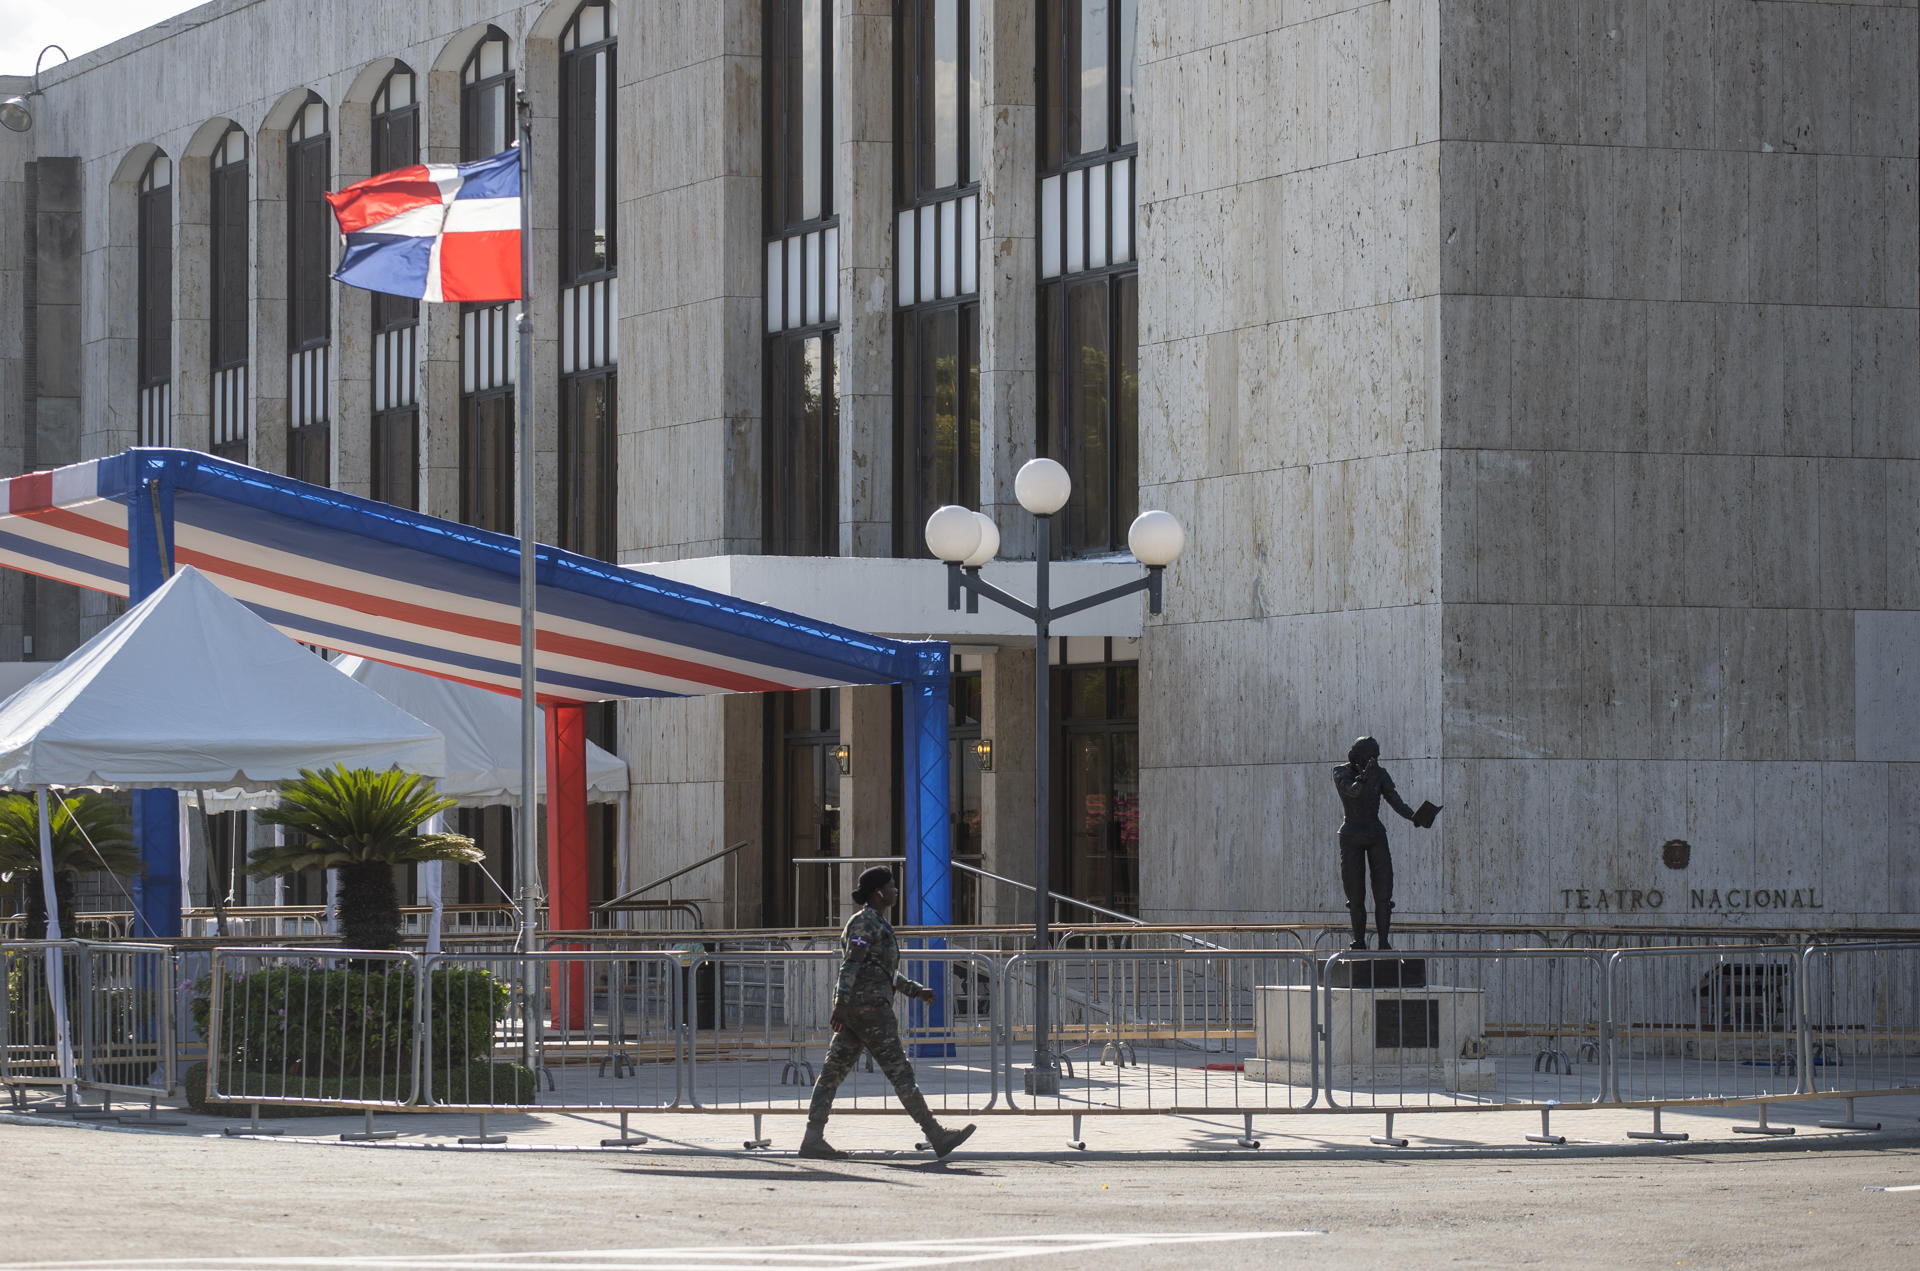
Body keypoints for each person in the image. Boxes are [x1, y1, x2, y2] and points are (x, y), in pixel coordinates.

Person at [799, 865, 977, 1160]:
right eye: (891, 886)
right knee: (900, 1072)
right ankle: (936, 1134)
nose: (896, 891)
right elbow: (851, 965)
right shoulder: (865, 923)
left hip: (860, 1012)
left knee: (831, 1074)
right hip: (870, 1012)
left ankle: (812, 1138)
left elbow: (883, 971)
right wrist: (840, 1004)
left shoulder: (875, 922)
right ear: (878, 892)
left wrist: (915, 990)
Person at [1331, 736, 1432, 950]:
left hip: (1375, 833)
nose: (1375, 760)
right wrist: (1364, 778)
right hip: (1351, 835)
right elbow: (1352, 791)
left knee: (1384, 891)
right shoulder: (1341, 772)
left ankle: (1384, 942)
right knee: (1355, 893)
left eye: (1377, 757)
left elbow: (1395, 800)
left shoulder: (1380, 773)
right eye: (1372, 756)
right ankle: (1359, 941)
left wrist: (1414, 816)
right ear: (1359, 755)